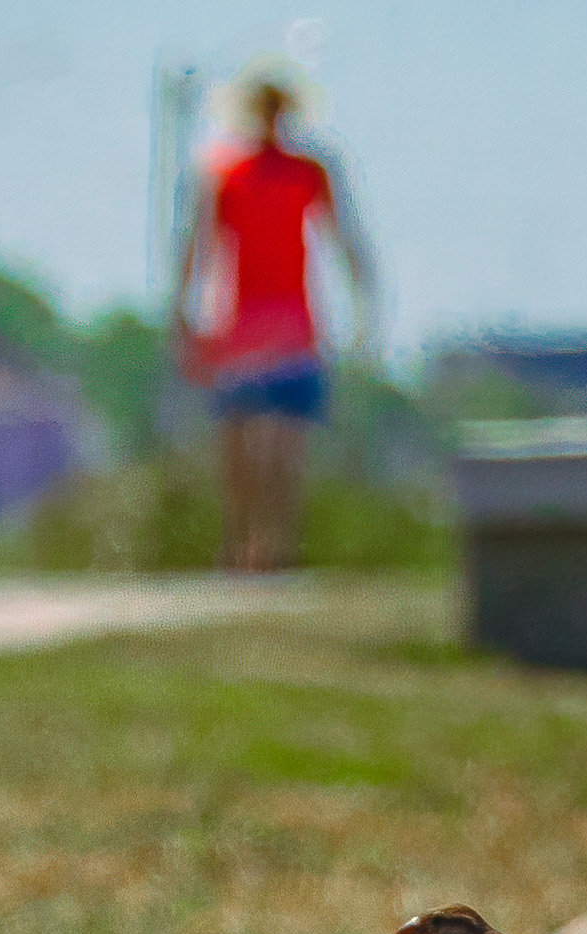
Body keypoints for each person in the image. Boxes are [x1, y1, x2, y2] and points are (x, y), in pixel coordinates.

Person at [173, 67, 375, 572]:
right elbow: (196, 249)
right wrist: (184, 318)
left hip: (293, 323)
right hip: (239, 322)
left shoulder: (310, 172)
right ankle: (239, 544)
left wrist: (363, 300)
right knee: (237, 447)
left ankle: (279, 547)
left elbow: (343, 236)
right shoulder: (223, 174)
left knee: (285, 446)